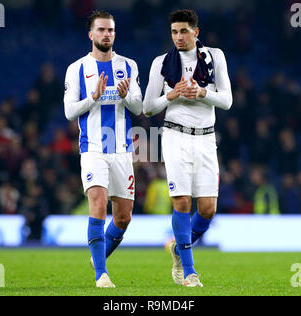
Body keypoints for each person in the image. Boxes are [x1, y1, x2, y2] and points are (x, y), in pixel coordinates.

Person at [143, 9, 232, 287]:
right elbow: (147, 108)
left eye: (183, 31)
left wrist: (203, 93)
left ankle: (178, 248)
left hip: (205, 137)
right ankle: (189, 271)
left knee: (207, 209)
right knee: (182, 201)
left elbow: (227, 101)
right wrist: (172, 94)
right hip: (175, 135)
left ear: (196, 32)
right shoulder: (162, 62)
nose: (178, 37)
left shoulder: (215, 57)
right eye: (174, 32)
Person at [63, 10, 143, 288]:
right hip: (93, 147)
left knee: (124, 216)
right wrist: (93, 97)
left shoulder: (128, 65)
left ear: (114, 33)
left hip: (121, 149)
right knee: (98, 203)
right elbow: (69, 111)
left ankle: (98, 257)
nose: (106, 34)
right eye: (101, 30)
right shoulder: (77, 69)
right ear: (91, 34)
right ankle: (101, 275)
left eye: (110, 30)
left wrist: (127, 95)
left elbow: (139, 107)